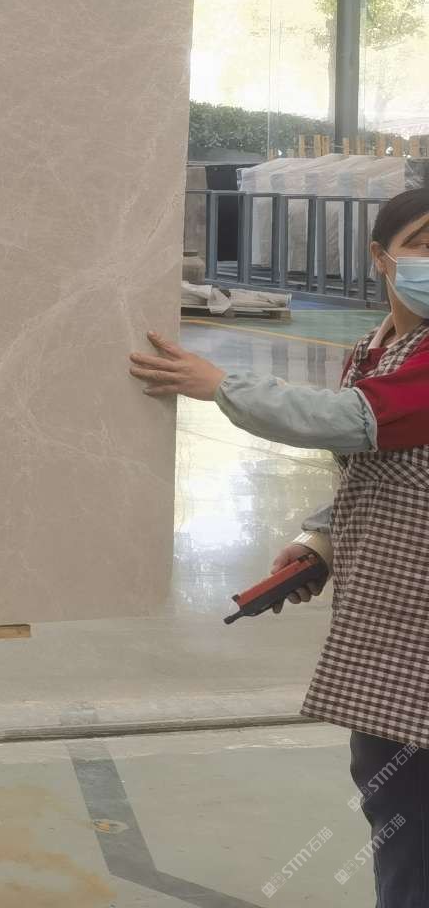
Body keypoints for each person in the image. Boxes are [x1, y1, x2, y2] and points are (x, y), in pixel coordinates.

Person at [129, 186, 429, 907]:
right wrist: (320, 541)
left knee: (414, 819)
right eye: (425, 242)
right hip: (388, 620)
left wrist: (220, 385)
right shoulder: (375, 350)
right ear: (381, 257)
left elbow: (350, 421)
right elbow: (374, 467)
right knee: (391, 799)